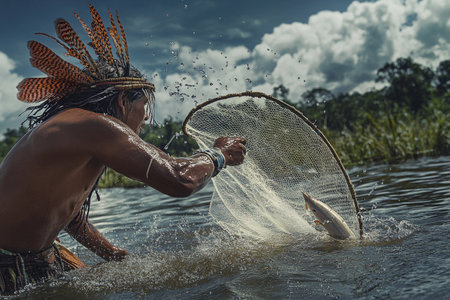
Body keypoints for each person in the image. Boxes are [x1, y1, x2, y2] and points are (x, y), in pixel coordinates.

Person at [0, 5, 246, 294]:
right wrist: (218, 155)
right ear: (122, 101)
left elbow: (67, 213)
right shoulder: (94, 126)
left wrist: (114, 254)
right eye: (143, 107)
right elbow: (180, 179)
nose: (146, 118)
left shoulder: (77, 129)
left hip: (33, 257)